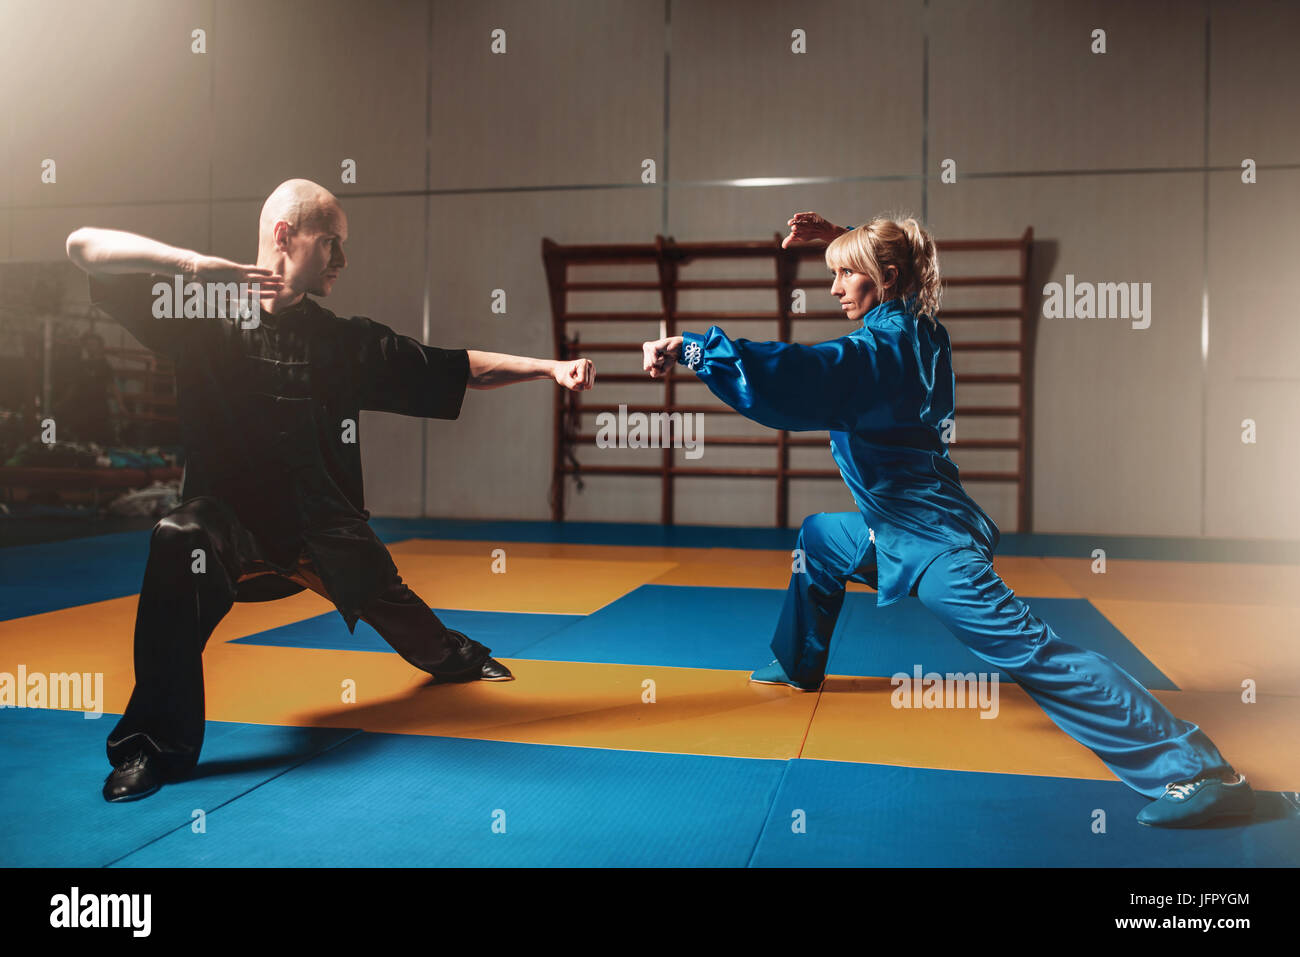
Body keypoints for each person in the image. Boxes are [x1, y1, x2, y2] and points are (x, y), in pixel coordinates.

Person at [641, 211, 1254, 828]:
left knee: (1033, 652)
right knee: (822, 539)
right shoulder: (922, 332)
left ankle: (1198, 772)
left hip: (935, 548)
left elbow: (796, 374)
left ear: (883, 277)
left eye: (845, 275)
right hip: (899, 526)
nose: (832, 289)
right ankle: (799, 661)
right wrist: (845, 241)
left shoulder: (875, 353)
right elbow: (898, 281)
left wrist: (697, 348)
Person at [66, 179, 595, 802]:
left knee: (405, 615)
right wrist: (191, 265)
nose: (343, 260)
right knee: (179, 538)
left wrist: (546, 367)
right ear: (284, 236)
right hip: (224, 527)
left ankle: (454, 656)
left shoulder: (344, 343)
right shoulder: (199, 315)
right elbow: (82, 244)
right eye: (332, 243)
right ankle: (153, 748)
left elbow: (452, 366)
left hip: (322, 526)